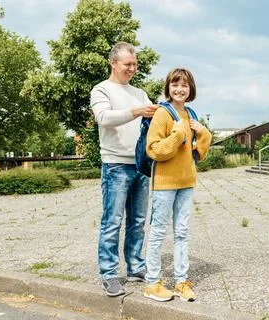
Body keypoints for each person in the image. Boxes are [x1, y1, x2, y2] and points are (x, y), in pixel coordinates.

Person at [90, 42, 158, 297]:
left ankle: (136, 266)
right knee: (112, 222)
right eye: (128, 64)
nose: (133, 68)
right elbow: (104, 118)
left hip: (140, 165)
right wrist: (137, 111)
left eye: (135, 64)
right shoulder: (101, 90)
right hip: (115, 165)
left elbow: (156, 116)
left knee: (138, 222)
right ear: (114, 63)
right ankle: (109, 273)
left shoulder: (139, 92)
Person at [142, 68, 212, 302]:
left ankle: (181, 281)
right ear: (168, 88)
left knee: (182, 232)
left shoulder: (190, 113)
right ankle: (152, 283)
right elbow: (153, 150)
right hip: (164, 183)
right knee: (159, 232)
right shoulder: (163, 113)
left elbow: (198, 153)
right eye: (175, 84)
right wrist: (177, 135)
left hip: (186, 181)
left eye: (184, 85)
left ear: (191, 89)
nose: (179, 89)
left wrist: (203, 133)